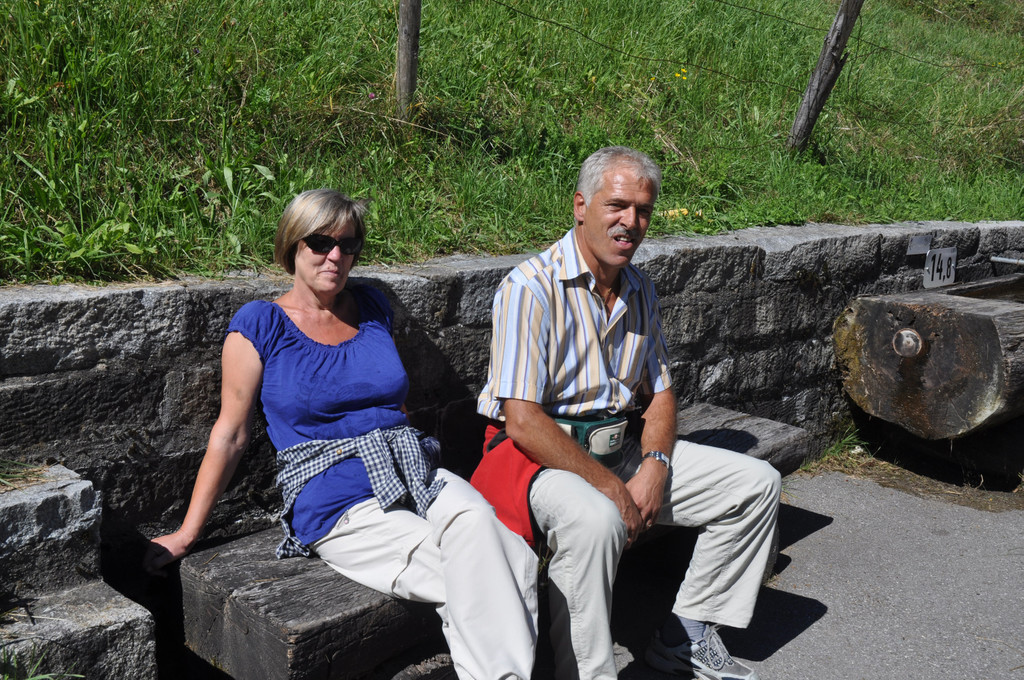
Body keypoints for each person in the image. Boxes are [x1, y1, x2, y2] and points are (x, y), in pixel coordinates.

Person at [144, 189, 538, 680]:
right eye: (320, 242)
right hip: (337, 501)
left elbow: (392, 401)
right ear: (291, 245)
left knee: (508, 550)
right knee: (484, 573)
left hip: (412, 472)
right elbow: (231, 434)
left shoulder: (371, 307)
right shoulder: (261, 325)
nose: (335, 256)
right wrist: (187, 534)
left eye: (348, 245)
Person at [471, 147, 781, 680]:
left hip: (620, 448)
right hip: (541, 457)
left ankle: (686, 635)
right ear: (580, 206)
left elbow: (660, 393)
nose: (631, 222)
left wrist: (655, 465)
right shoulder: (530, 288)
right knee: (596, 522)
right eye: (617, 206)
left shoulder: (639, 287)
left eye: (643, 211)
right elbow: (521, 420)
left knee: (755, 484)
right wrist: (612, 489)